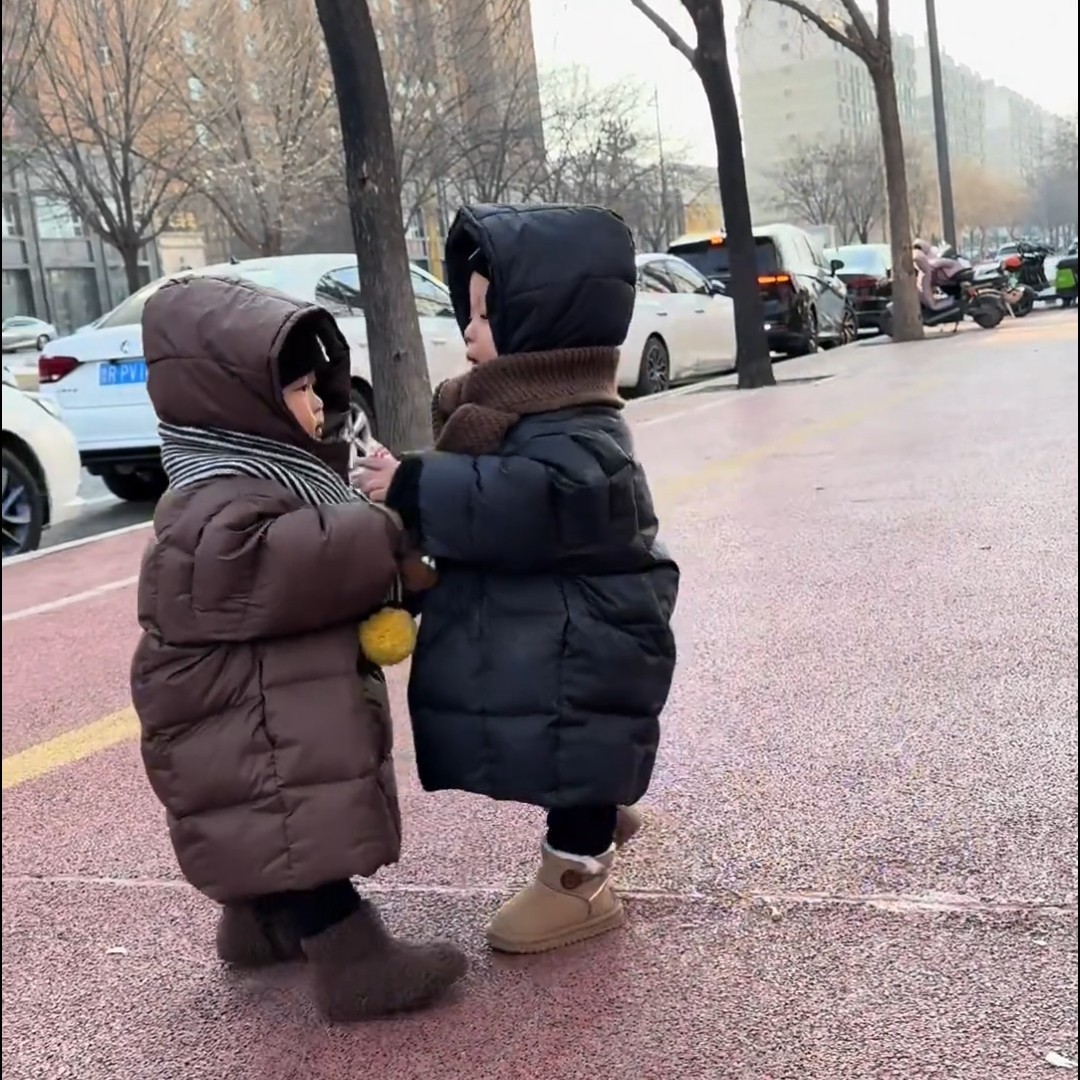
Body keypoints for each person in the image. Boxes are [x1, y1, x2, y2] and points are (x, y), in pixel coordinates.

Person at [129, 276, 467, 1021]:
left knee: (272, 813)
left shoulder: (260, 482)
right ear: (239, 406)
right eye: (301, 391)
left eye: (318, 387)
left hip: (244, 705)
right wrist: (383, 530)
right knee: (294, 819)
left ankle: (259, 923)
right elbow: (289, 562)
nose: (317, 406)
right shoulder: (216, 501)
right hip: (244, 714)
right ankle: (355, 964)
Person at [357, 204, 680, 954]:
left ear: (543, 330)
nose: (470, 335)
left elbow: (534, 499)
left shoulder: (583, 432)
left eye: (486, 316)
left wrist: (417, 484)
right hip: (567, 624)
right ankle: (598, 806)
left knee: (572, 731)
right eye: (468, 314)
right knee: (549, 727)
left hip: (595, 637)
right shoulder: (530, 417)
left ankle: (579, 877)